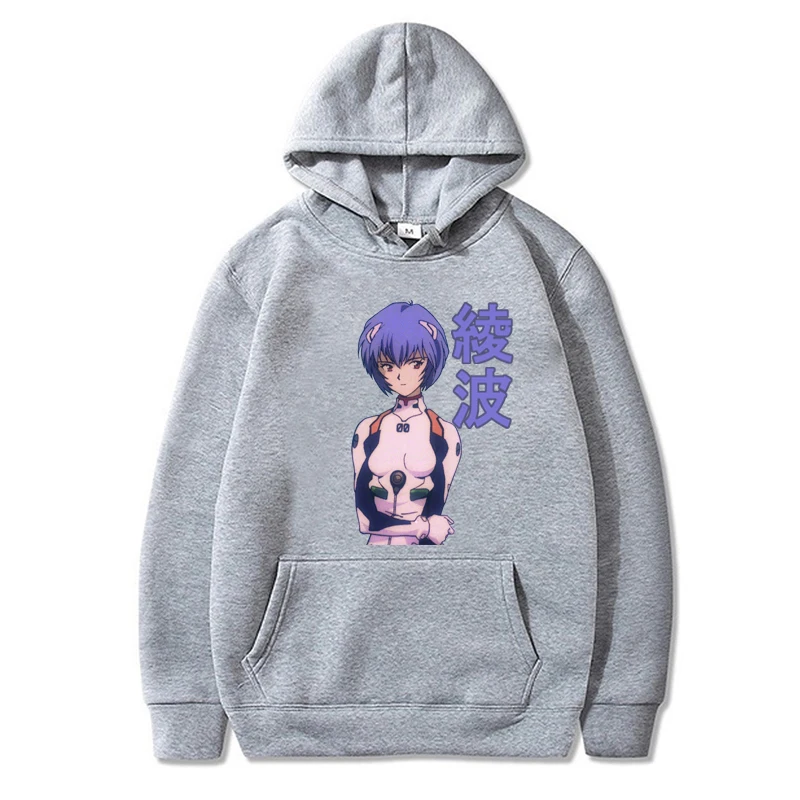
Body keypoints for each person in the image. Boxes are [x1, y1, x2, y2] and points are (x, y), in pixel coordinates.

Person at [352, 301, 462, 545]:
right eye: (388, 366)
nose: (401, 376)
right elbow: (364, 520)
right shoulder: (368, 430)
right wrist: (422, 528)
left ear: (430, 361)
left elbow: (437, 511)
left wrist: (427, 529)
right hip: (373, 554)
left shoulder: (444, 433)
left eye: (415, 363)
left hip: (423, 558)